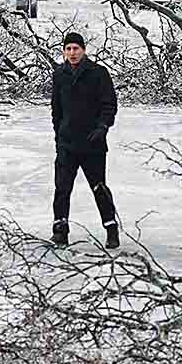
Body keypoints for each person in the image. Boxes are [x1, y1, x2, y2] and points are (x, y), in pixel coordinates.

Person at [49, 31, 120, 248]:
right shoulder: (60, 75)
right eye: (68, 49)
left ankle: (111, 229)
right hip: (67, 143)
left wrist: (102, 127)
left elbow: (110, 105)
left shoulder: (98, 73)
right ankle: (60, 229)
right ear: (64, 51)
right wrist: (58, 134)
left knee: (99, 187)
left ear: (84, 50)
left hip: (93, 143)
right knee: (62, 188)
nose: (72, 53)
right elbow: (56, 109)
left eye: (76, 49)